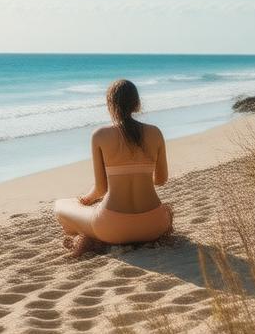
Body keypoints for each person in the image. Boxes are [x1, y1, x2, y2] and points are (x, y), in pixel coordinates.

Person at [54, 79, 172, 255]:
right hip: (154, 224)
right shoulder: (155, 133)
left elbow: (101, 189)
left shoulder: (100, 135)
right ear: (137, 104)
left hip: (112, 228)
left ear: (110, 105)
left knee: (60, 205)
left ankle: (85, 237)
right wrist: (140, 176)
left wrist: (85, 200)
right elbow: (161, 180)